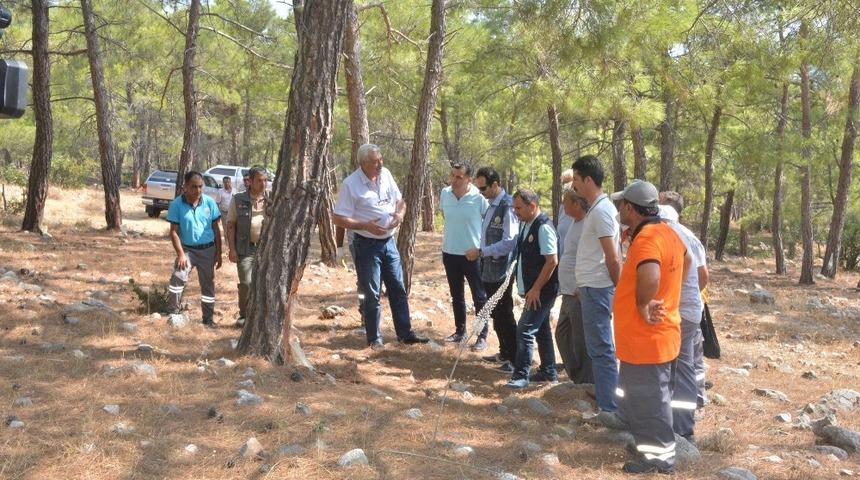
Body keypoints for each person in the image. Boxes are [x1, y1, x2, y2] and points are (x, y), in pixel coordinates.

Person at [611, 180, 689, 474]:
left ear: (631, 208)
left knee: (649, 401)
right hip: (661, 335)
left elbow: (651, 274)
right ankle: (651, 448)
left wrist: (644, 305)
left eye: (622, 205)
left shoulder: (647, 240)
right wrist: (669, 296)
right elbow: (688, 261)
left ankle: (659, 459)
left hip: (646, 340)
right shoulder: (669, 233)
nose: (619, 209)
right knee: (652, 398)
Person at [332, 143, 429, 349]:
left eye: (380, 159)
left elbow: (400, 201)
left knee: (397, 288)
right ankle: (374, 338)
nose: (380, 164)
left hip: (388, 242)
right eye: (375, 161)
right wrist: (364, 225)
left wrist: (400, 215)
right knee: (371, 292)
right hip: (365, 245)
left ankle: (405, 333)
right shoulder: (351, 184)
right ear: (363, 163)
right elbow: (339, 218)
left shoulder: (386, 175)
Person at [570, 155, 622, 425]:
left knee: (601, 349)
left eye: (577, 180)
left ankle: (609, 408)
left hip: (599, 289)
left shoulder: (602, 211)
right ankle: (606, 396)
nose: (575, 186)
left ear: (588, 180)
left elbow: (612, 257)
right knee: (598, 348)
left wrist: (619, 289)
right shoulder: (598, 208)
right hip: (592, 287)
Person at [658, 192, 710, 437]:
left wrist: (678, 295)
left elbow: (701, 275)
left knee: (680, 367)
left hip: (682, 310)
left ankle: (682, 427)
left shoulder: (671, 235)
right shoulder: (687, 235)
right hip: (687, 308)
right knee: (684, 365)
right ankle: (681, 423)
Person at [465, 167, 519, 373]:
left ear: (496, 184)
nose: (482, 193)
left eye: (484, 188)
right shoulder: (491, 205)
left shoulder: (507, 206)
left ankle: (514, 357)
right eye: (479, 189)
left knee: (504, 312)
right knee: (496, 311)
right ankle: (504, 351)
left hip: (501, 270)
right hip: (489, 268)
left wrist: (481, 252)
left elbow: (509, 242)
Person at [505, 189, 559, 389]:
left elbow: (552, 261)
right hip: (532, 289)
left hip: (542, 291)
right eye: (514, 208)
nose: (515, 212)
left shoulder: (543, 227)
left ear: (532, 206)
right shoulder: (526, 224)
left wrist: (536, 288)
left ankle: (521, 375)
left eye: (518, 208)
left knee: (525, 330)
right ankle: (548, 371)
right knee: (541, 329)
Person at [440, 163, 490, 349]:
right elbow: (447, 217)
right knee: (456, 295)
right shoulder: (445, 193)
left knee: (479, 296)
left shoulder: (479, 197)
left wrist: (480, 248)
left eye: (459, 177)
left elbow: (489, 222)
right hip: (450, 252)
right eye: (452, 175)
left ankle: (482, 336)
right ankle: (460, 331)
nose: (454, 179)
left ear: (469, 179)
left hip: (472, 255)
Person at [165, 171, 223, 327]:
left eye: (200, 187)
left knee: (208, 285)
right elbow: (173, 232)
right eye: (193, 187)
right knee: (178, 276)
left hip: (208, 250)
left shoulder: (209, 202)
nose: (197, 190)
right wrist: (181, 254)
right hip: (187, 251)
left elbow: (216, 229)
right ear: (185, 187)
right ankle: (173, 313)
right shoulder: (177, 204)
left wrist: (219, 253)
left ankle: (208, 319)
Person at [555, 189, 594, 384]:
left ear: (577, 204)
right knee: (562, 334)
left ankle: (586, 380)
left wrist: (581, 285)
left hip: (578, 291)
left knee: (580, 338)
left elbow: (590, 258)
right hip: (567, 290)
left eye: (566, 202)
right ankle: (577, 377)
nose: (563, 205)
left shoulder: (587, 224)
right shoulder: (574, 223)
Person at [225, 167, 269, 328]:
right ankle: (245, 315)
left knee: (266, 282)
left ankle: (263, 315)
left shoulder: (271, 199)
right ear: (250, 181)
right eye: (259, 180)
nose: (263, 184)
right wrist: (232, 249)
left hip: (266, 249)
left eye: (265, 180)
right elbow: (230, 225)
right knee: (246, 282)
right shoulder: (238, 199)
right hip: (245, 248)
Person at [556, 168, 575, 255]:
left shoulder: (583, 209)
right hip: (563, 258)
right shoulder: (562, 208)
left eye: (569, 181)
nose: (566, 185)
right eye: (564, 182)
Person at [217, 177, 234, 244]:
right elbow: (217, 203)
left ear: (230, 182)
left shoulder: (234, 191)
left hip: (232, 212)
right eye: (225, 182)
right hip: (224, 213)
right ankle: (227, 244)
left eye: (228, 182)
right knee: (225, 229)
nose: (227, 183)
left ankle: (232, 243)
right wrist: (218, 213)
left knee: (232, 227)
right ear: (223, 183)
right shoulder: (220, 191)